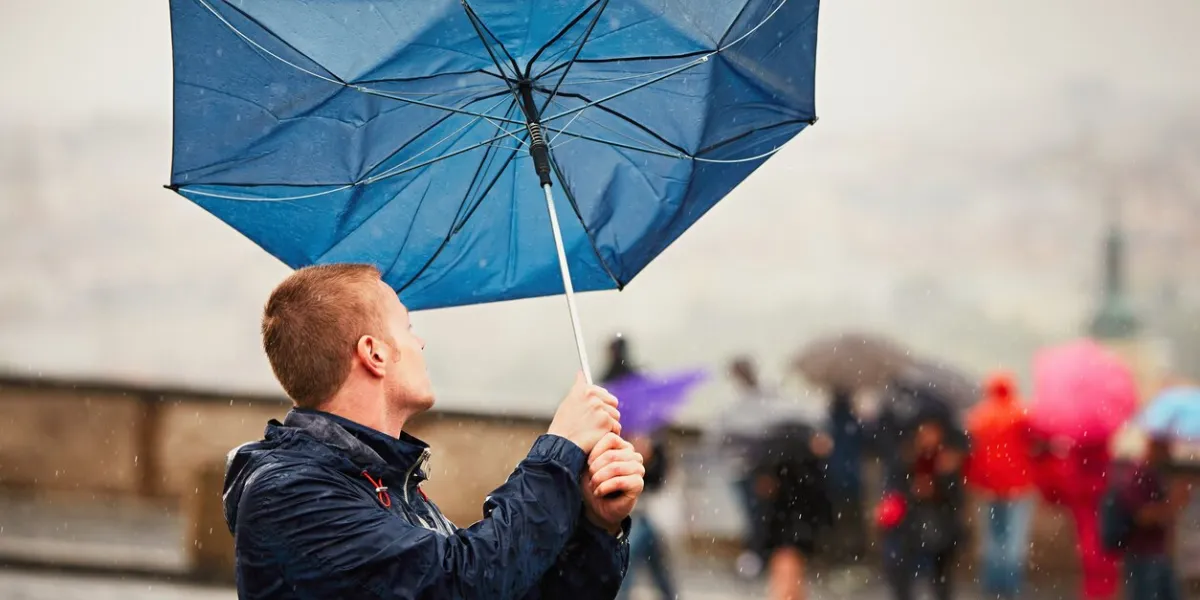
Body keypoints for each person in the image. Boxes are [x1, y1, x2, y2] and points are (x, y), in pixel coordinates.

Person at [223, 264, 644, 600]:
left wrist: (595, 525)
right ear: (374, 353)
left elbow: (513, 588)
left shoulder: (381, 482)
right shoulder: (290, 493)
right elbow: (464, 583)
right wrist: (561, 449)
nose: (420, 343)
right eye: (407, 327)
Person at [602, 335, 679, 600]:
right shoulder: (642, 410)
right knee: (646, 564)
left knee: (629, 563)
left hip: (641, 510)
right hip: (640, 511)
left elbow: (655, 475)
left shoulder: (608, 392)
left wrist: (645, 459)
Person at [964, 372, 1035, 598]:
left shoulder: (978, 417)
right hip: (1018, 486)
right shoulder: (1021, 414)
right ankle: (1011, 585)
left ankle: (992, 584)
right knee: (1014, 538)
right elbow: (1036, 445)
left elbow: (971, 454)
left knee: (992, 538)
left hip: (988, 487)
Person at [879, 416, 966, 600]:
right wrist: (913, 492)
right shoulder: (906, 458)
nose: (928, 437)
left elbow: (957, 497)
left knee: (940, 575)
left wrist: (938, 486)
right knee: (902, 572)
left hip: (940, 523)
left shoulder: (946, 461)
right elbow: (893, 490)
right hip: (910, 524)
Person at [750, 422, 834, 600]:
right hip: (789, 531)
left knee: (788, 572)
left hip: (791, 530)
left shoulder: (799, 463)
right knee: (787, 571)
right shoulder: (793, 457)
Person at [1118, 434, 1187, 600]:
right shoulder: (1139, 475)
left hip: (1160, 554)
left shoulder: (1157, 474)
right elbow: (1142, 516)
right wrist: (1173, 504)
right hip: (1143, 555)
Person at [823, 387, 866, 563]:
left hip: (833, 477)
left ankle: (840, 553)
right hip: (852, 478)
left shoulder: (828, 424)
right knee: (854, 518)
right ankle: (855, 553)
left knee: (838, 518)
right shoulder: (854, 423)